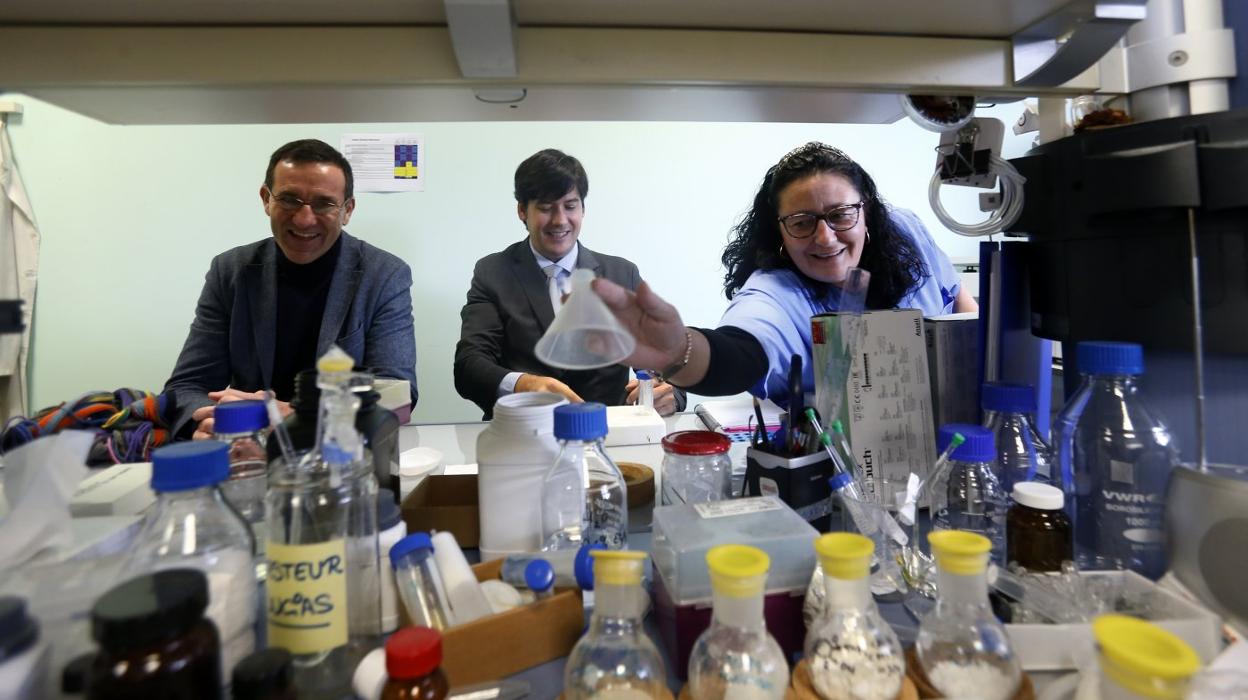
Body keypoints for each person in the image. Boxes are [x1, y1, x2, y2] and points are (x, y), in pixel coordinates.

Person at [592, 141, 977, 409]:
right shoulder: (775, 294)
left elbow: (957, 299)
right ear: (779, 232)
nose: (825, 237)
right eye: (802, 221)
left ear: (867, 213)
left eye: (840, 214)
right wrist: (679, 350)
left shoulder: (905, 230)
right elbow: (738, 355)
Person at [164, 139, 418, 439]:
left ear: (347, 210)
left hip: (343, 452)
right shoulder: (230, 271)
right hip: (246, 449)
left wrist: (298, 416)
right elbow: (186, 386)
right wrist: (206, 421)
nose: (304, 219)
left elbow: (397, 394)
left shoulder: (385, 275)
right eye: (289, 200)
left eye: (323, 203)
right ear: (265, 199)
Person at [454, 148, 685, 419]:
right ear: (521, 211)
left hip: (610, 431)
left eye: (570, 206)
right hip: (525, 430)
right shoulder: (493, 272)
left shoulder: (622, 274)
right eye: (545, 207)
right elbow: (469, 366)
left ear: (583, 209)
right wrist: (526, 384)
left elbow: (667, 362)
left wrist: (671, 393)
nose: (560, 220)